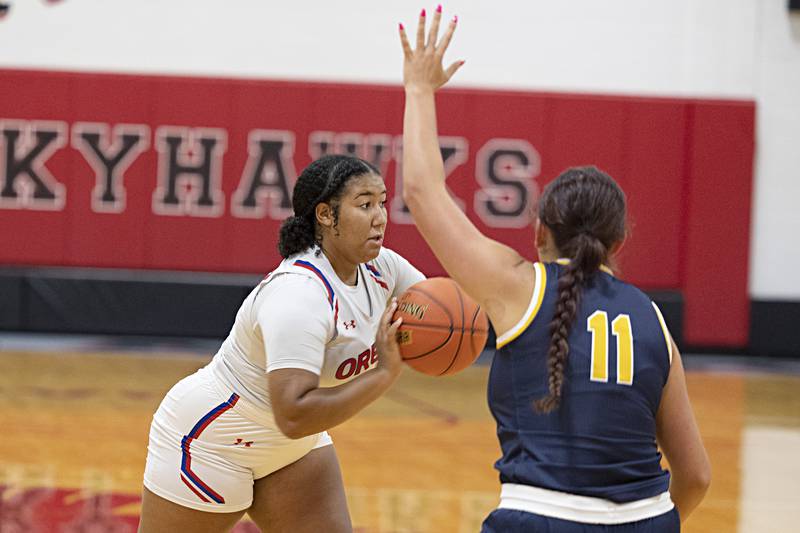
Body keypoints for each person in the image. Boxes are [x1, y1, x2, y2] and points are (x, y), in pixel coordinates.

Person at [398, 8, 711, 532]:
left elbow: (422, 193)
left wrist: (418, 87)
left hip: (539, 520)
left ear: (538, 231)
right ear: (619, 242)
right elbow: (696, 476)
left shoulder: (518, 286)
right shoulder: (653, 319)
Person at [138, 154, 424, 532]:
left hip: (292, 447)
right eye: (364, 204)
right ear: (325, 214)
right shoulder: (299, 294)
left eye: (382, 202)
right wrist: (383, 376)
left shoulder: (383, 268)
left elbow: (445, 318)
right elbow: (294, 413)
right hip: (214, 436)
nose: (380, 217)